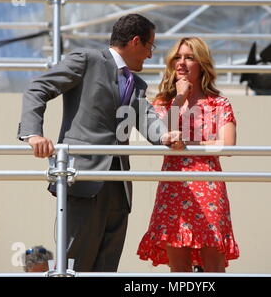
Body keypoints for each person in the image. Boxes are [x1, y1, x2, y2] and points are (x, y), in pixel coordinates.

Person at [17, 14, 183, 272]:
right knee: (74, 265)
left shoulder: (135, 83)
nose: (150, 55)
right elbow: (37, 88)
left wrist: (164, 135)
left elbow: (145, 115)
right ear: (135, 41)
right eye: (150, 46)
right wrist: (33, 134)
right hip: (83, 179)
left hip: (119, 188)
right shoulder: (87, 60)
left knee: (107, 269)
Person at [137, 37, 240, 272]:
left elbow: (229, 145)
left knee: (213, 260)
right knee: (178, 263)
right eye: (177, 57)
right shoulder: (164, 102)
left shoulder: (219, 103)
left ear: (202, 64)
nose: (181, 63)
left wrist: (188, 144)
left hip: (208, 185)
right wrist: (180, 98)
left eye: (189, 57)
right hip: (174, 185)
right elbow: (162, 135)